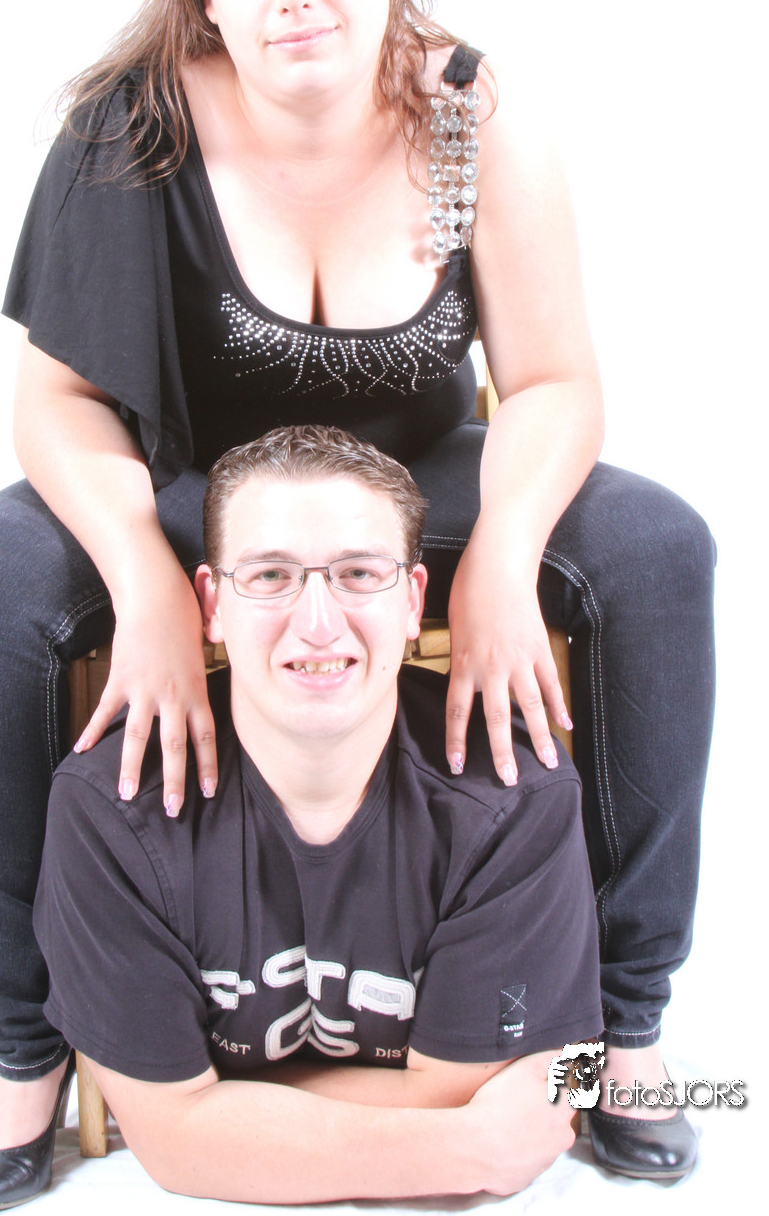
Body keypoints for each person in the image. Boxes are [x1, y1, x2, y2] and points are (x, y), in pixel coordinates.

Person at [0, 0, 715, 1209]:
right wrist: (150, 583)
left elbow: (552, 381)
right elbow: (56, 404)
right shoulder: (134, 126)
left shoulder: (470, 117)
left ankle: (625, 1028)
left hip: (423, 477)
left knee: (655, 548)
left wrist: (503, 553)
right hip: (193, 489)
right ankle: (25, 1047)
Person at [33, 425, 605, 1202]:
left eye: (358, 573)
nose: (317, 622)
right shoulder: (112, 807)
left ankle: (639, 1052)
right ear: (211, 603)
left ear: (412, 600)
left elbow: (481, 1085)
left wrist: (210, 1107)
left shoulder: (513, 795)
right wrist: (466, 1148)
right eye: (269, 575)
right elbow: (166, 1144)